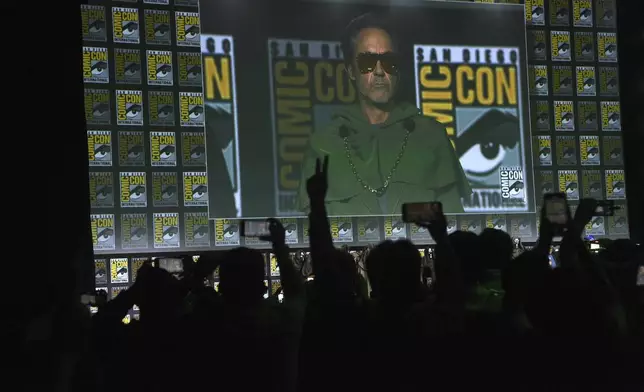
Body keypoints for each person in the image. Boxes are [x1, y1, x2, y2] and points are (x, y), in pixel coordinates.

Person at [297, 12, 471, 215]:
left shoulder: (430, 135)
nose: (379, 71)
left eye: (388, 62)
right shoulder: (324, 144)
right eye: (367, 63)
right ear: (351, 71)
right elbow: (311, 232)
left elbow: (453, 222)